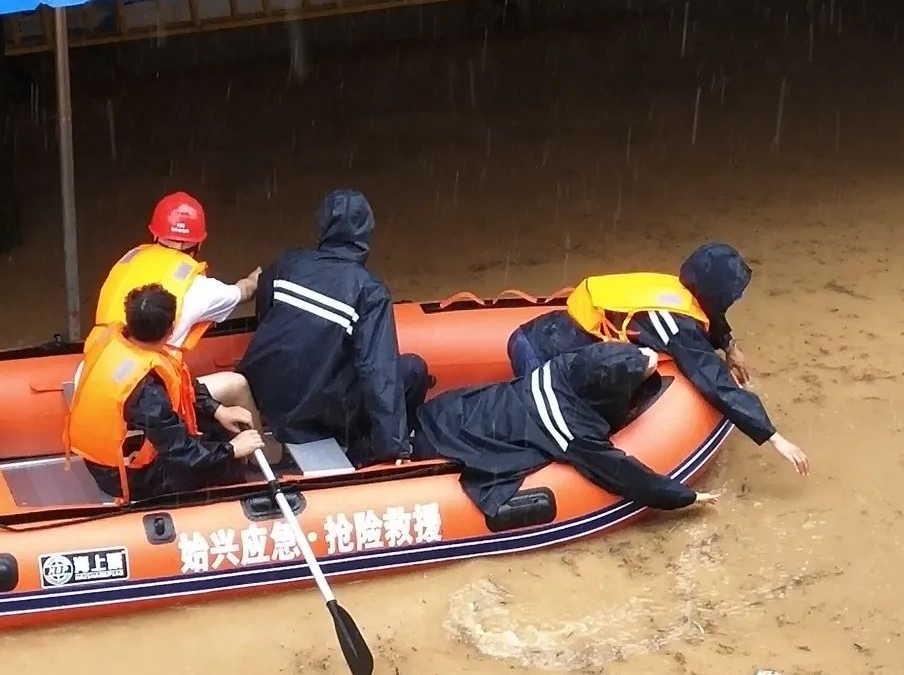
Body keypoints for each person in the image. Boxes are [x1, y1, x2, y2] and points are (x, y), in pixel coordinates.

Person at [507, 244, 809, 478]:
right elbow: (714, 382)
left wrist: (730, 345)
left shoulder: (680, 289)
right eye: (733, 296)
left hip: (543, 333)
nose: (734, 301)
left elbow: (707, 317)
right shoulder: (675, 324)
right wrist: (774, 437)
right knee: (552, 436)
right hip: (541, 353)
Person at [412, 342, 721, 519]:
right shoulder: (573, 431)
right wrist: (686, 497)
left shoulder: (564, 364)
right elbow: (624, 474)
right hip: (445, 442)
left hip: (446, 410)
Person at [238, 189, 433, 465]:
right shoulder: (369, 290)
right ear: (367, 233)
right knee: (413, 370)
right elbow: (378, 369)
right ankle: (366, 454)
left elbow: (267, 317)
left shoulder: (287, 263)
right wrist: (395, 447)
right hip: (318, 414)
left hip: (266, 399)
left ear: (323, 225)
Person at [66, 283, 262, 502]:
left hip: (119, 449)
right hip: (126, 475)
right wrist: (232, 450)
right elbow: (182, 454)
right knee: (225, 462)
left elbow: (180, 387)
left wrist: (217, 410)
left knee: (216, 429)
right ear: (171, 330)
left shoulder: (116, 343)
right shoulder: (146, 392)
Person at [94, 191, 263, 431]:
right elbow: (244, 291)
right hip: (147, 395)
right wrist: (258, 277)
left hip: (104, 377)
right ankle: (267, 457)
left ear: (154, 233)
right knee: (237, 385)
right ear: (199, 242)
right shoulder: (200, 289)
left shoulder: (128, 260)